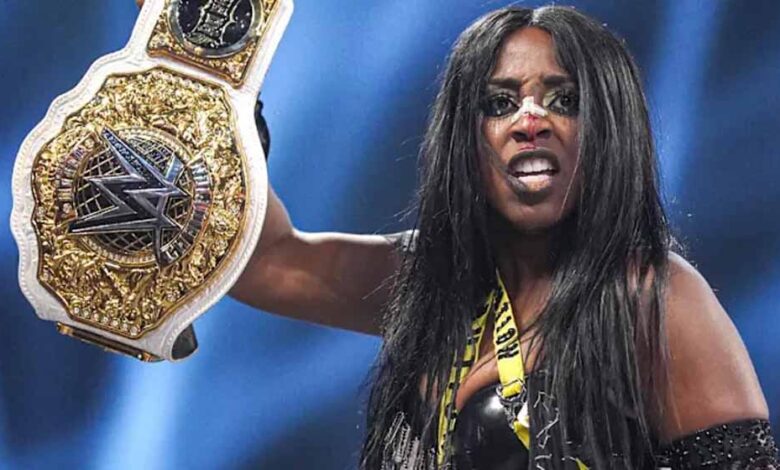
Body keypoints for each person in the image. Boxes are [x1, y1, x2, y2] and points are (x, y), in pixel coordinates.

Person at [138, 2, 778, 468]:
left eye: (563, 99)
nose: (530, 119)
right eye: (499, 102)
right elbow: (267, 263)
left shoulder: (654, 297)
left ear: (609, 130)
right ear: (464, 141)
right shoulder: (429, 278)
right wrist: (205, 87)